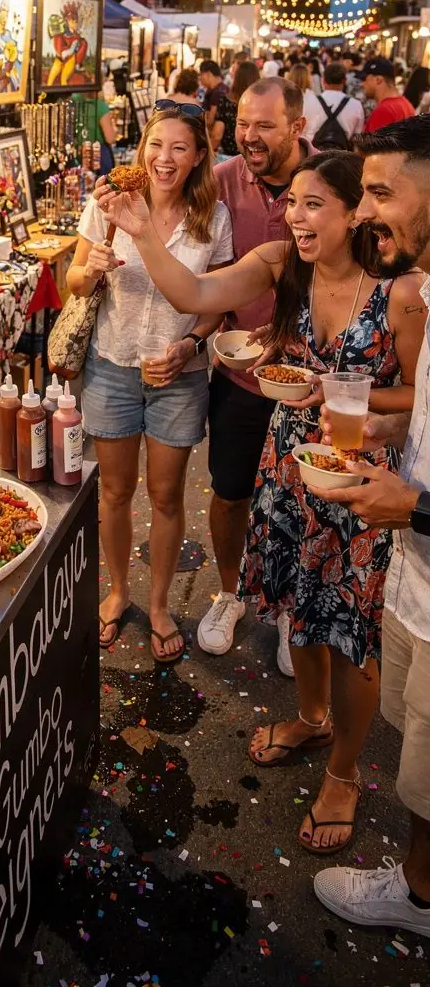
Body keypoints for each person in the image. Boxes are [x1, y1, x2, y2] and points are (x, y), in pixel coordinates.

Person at [94, 151, 424, 854]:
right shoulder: (280, 263)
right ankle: (310, 717)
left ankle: (343, 774)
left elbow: (421, 395)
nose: (295, 218)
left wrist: (343, 394)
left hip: (363, 480)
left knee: (351, 630)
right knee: (298, 608)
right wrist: (142, 232)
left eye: (313, 205)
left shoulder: (399, 292)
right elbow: (192, 293)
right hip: (290, 463)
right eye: (292, 204)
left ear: (352, 213)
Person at [313, 117, 430, 933]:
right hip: (416, 575)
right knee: (420, 756)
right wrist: (393, 442)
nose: (362, 213)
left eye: (382, 193)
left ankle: (420, 899)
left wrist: (415, 505)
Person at [66, 103, 233, 663]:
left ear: (197, 157)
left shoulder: (212, 218)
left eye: (179, 148)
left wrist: (191, 345)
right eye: (156, 145)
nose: (164, 159)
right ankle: (117, 591)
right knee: (114, 492)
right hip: (111, 365)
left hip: (179, 378)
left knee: (165, 495)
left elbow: (217, 303)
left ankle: (158, 605)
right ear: (142, 148)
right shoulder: (109, 202)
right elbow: (72, 280)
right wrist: (90, 270)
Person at [198, 77, 311, 667]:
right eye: (243, 123)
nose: (250, 136)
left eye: (265, 125)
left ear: (298, 127)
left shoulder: (328, 182)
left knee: (301, 497)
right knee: (231, 489)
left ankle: (293, 608)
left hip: (306, 381)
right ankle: (230, 592)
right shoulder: (220, 180)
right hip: (240, 373)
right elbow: (204, 267)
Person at [305, 61, 365, 149]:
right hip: (342, 158)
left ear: (324, 80)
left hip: (313, 157)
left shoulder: (309, 101)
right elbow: (357, 138)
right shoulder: (356, 105)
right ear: (344, 81)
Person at [210, 59, 260, 158]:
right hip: (253, 155)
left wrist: (208, 152)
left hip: (227, 157)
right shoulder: (260, 103)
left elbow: (217, 134)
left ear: (237, 78)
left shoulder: (226, 101)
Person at [362, 56, 415, 133]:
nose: (362, 84)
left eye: (365, 79)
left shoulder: (383, 111)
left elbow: (374, 144)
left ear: (378, 80)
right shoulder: (406, 104)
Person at [74, 85, 118, 175]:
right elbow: (110, 138)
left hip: (78, 155)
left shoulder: (74, 102)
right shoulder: (100, 106)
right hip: (98, 157)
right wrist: (115, 129)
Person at [288, 63, 321, 140]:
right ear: (308, 78)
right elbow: (315, 123)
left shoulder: (284, 95)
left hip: (287, 139)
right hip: (306, 139)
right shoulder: (312, 98)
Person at [198, 59, 227, 133]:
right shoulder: (225, 88)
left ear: (208, 74)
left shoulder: (217, 93)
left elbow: (210, 121)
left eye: (201, 74)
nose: (200, 78)